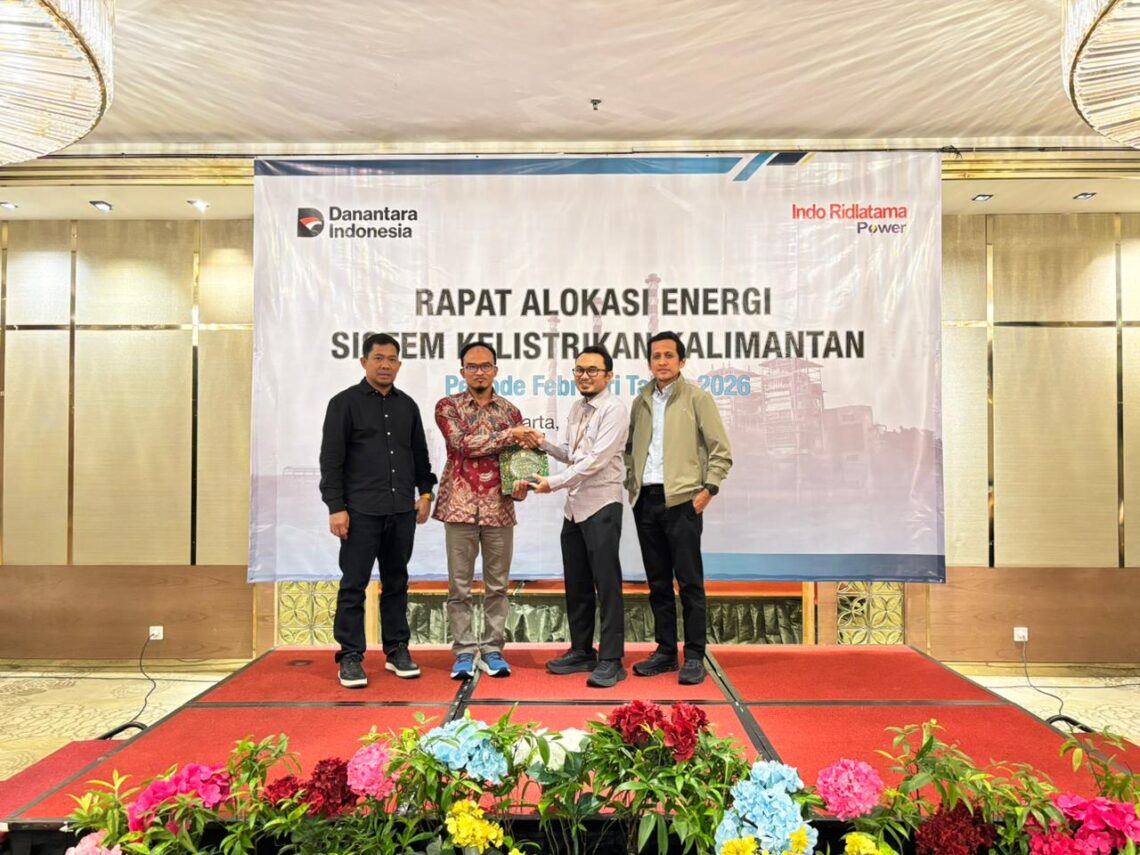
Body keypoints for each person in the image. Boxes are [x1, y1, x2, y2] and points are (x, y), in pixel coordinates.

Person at [319, 332, 437, 688]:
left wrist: (426, 493)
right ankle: (350, 655)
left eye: (392, 359)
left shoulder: (407, 406)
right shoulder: (344, 403)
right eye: (378, 358)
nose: (385, 365)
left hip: (401, 511)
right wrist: (336, 507)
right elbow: (331, 461)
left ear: (399, 364)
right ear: (364, 362)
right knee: (353, 585)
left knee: (397, 582)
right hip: (360, 513)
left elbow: (420, 456)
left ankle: (397, 649)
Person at [625, 331, 732, 686]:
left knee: (689, 582)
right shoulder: (640, 401)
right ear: (649, 362)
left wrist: (708, 489)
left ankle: (695, 655)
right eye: (656, 356)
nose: (662, 361)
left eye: (669, 355)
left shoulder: (697, 398)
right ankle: (666, 651)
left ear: (681, 361)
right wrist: (631, 483)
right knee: (657, 583)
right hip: (646, 501)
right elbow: (630, 450)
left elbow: (721, 450)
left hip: (683, 502)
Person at [527, 345, 629, 688]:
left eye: (592, 370)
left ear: (608, 376)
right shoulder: (576, 408)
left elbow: (596, 460)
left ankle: (612, 658)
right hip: (573, 508)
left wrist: (553, 483)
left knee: (607, 584)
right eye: (579, 370)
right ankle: (582, 650)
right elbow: (572, 455)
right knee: (578, 583)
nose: (584, 376)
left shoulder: (614, 410)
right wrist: (543, 444)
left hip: (601, 504)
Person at [433, 341, 533, 680]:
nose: (479, 372)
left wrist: (521, 484)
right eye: (472, 366)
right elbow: (462, 444)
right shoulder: (448, 406)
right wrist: (509, 435)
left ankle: (492, 650)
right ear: (462, 371)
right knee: (459, 587)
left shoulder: (511, 412)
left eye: (485, 365)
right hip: (459, 508)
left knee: (498, 586)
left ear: (495, 370)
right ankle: (463, 652)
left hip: (499, 509)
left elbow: (517, 460)